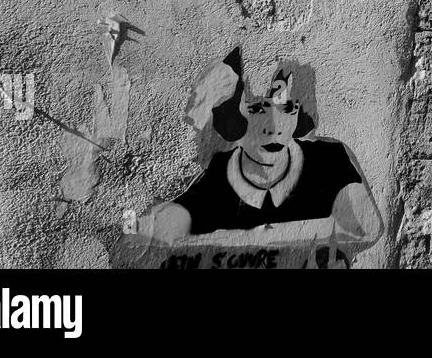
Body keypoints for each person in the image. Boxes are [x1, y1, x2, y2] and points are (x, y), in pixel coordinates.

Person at [139, 54, 382, 244]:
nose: (274, 128)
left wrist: (254, 237)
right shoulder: (213, 174)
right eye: (257, 109)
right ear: (234, 114)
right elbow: (146, 229)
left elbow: (366, 228)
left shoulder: (330, 160)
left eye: (286, 109)